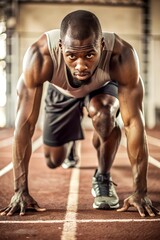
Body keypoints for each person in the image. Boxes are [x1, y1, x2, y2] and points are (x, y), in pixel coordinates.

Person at [1, 10, 160, 217]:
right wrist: (20, 190)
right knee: (53, 160)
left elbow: (132, 124)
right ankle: (71, 144)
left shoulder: (122, 56)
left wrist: (140, 191)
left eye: (90, 55)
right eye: (71, 56)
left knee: (105, 116)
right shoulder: (40, 56)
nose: (81, 65)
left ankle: (102, 176)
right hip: (61, 92)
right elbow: (25, 125)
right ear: (60, 48)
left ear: (102, 46)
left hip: (101, 88)